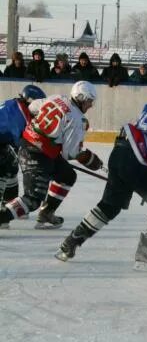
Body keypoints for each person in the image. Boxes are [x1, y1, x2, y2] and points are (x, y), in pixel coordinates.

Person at [55, 75, 147, 271]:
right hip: (137, 162)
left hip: (120, 152)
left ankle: (70, 243)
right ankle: (146, 253)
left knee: (109, 206)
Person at [0, 81, 102, 230]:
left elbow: (32, 106)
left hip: (36, 147)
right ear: (80, 98)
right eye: (89, 101)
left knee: (67, 175)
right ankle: (2, 216)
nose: (90, 105)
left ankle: (46, 214)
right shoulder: (77, 119)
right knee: (33, 199)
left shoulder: (57, 97)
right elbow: (70, 153)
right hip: (35, 153)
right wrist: (89, 158)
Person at [0, 85, 46, 214]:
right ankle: (3, 213)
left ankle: (7, 206)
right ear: (30, 101)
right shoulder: (18, 116)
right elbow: (21, 145)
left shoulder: (16, 104)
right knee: (3, 168)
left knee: (12, 166)